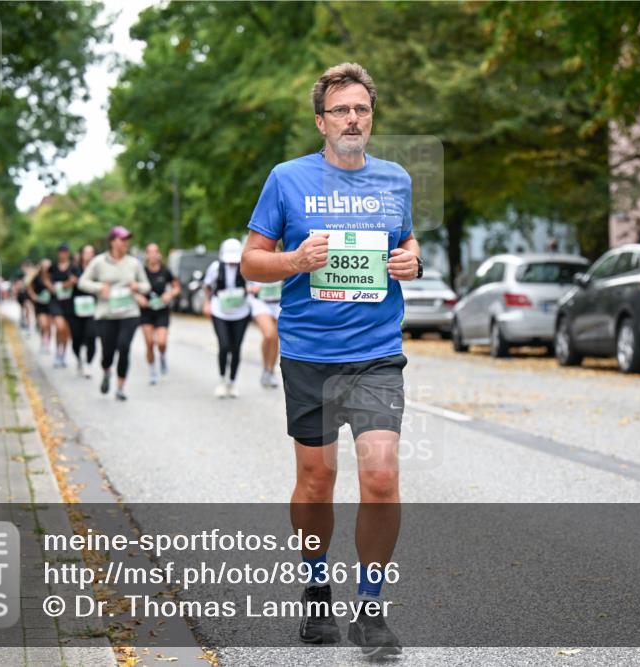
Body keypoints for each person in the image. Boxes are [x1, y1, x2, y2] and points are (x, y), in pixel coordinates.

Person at [241, 63, 420, 657]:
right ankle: (317, 590)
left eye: (361, 109)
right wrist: (295, 261)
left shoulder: (395, 180)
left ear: (372, 118)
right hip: (309, 354)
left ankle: (371, 608)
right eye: (341, 110)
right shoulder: (286, 179)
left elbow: (406, 240)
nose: (352, 119)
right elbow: (251, 261)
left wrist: (412, 259)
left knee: (381, 477)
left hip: (376, 354)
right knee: (317, 482)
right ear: (321, 121)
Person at [78, 226, 150, 401]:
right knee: (107, 352)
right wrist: (99, 287)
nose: (126, 243)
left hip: (129, 312)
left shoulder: (134, 263)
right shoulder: (99, 262)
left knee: (124, 347)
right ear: (112, 242)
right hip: (106, 314)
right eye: (122, 239)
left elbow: (146, 285)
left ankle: (120, 388)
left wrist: (137, 286)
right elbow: (82, 282)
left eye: (127, 240)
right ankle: (107, 371)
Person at [203, 238, 252, 398]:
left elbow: (254, 284)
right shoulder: (216, 267)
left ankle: (232, 382)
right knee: (224, 346)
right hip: (220, 310)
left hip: (241, 311)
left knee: (236, 347)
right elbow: (207, 285)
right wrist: (207, 303)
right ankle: (222, 379)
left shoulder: (245, 267)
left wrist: (251, 290)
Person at [139, 243, 180, 385]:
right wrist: (139, 298)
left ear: (159, 254)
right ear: (146, 255)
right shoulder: (141, 272)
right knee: (150, 343)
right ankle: (152, 371)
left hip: (162, 311)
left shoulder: (165, 271)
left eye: (155, 252)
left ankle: (162, 356)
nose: (152, 255)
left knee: (161, 342)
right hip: (146, 312)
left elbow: (176, 287)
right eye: (149, 252)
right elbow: (132, 287)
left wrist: (170, 294)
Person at [44, 243, 76, 368]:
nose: (63, 254)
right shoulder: (53, 267)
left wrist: (67, 284)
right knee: (59, 327)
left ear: (68, 253)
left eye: (65, 252)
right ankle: (57, 352)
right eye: (61, 252)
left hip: (69, 301)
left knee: (66, 330)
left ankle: (63, 354)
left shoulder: (73, 267)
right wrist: (51, 287)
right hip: (56, 301)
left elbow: (76, 280)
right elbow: (45, 278)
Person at [69, 244, 98, 378]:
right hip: (76, 308)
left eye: (91, 253)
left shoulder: (98, 269)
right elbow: (67, 283)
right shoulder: (74, 269)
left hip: (92, 307)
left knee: (91, 335)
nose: (88, 255)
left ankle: (89, 363)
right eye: (86, 252)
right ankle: (79, 357)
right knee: (76, 337)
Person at [248, 278, 282, 388]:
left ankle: (270, 371)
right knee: (269, 335)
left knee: (275, 338)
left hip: (279, 302)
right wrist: (250, 288)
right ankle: (265, 368)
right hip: (260, 301)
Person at [26, 259, 53, 354]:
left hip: (51, 303)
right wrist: (33, 296)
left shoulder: (52, 276)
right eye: (44, 266)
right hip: (40, 304)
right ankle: (43, 342)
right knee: (43, 324)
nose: (46, 268)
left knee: (49, 326)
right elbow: (29, 286)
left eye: (48, 266)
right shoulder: (36, 277)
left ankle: (47, 344)